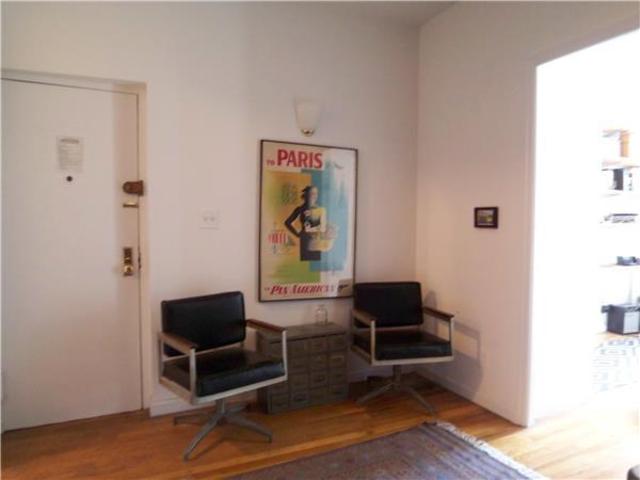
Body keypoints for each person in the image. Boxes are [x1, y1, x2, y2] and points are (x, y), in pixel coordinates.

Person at [284, 185, 326, 261]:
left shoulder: (319, 209)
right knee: (306, 261)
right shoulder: (300, 209)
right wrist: (297, 234)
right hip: (305, 240)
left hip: (317, 240)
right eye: (312, 193)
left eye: (316, 193)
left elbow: (323, 227)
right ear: (306, 195)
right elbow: (287, 222)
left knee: (316, 260)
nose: (314, 196)